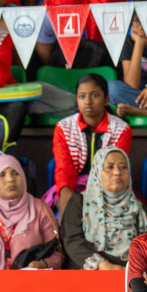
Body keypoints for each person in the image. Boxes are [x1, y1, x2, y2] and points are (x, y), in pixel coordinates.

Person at [0, 153, 60, 269]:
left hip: (28, 282)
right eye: (2, 175)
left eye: (15, 173)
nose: (10, 179)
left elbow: (57, 253)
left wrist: (42, 264)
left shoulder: (39, 208)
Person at [51, 72, 132, 211]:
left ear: (106, 100)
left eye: (95, 95)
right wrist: (66, 195)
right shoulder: (63, 127)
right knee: (66, 206)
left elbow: (115, 169)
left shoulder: (122, 129)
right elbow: (64, 167)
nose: (87, 101)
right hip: (72, 185)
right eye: (82, 96)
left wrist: (96, 197)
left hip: (110, 187)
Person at [61, 145, 145, 269]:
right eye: (109, 167)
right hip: (90, 270)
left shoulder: (138, 206)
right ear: (97, 171)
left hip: (129, 272)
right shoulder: (79, 202)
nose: (117, 172)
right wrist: (103, 265)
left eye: (123, 167)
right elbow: (72, 240)